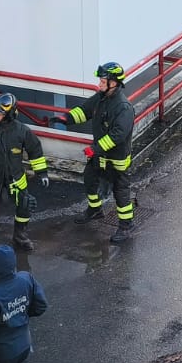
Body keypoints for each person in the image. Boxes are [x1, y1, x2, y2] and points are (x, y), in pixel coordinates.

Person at [0, 93, 50, 251]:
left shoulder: (22, 131)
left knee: (24, 207)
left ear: (10, 113)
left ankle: (20, 237)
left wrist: (42, 173)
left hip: (16, 181)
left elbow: (35, 152)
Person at [67, 62, 137, 244]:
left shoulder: (123, 107)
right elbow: (84, 111)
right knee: (90, 179)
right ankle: (95, 209)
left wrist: (95, 148)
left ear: (114, 83)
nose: (100, 84)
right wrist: (65, 118)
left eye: (103, 81)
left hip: (116, 159)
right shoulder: (100, 98)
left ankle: (126, 226)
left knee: (120, 191)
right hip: (100, 156)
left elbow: (118, 135)